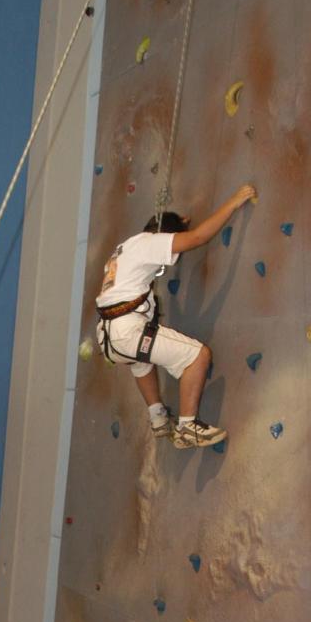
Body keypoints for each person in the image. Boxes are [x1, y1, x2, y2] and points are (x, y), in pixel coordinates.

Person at [95, 184, 257, 448]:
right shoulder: (149, 243)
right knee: (197, 356)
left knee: (141, 361)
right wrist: (235, 201)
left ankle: (157, 416)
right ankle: (187, 427)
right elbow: (196, 238)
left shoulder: (125, 249)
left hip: (109, 338)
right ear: (165, 236)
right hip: (126, 332)